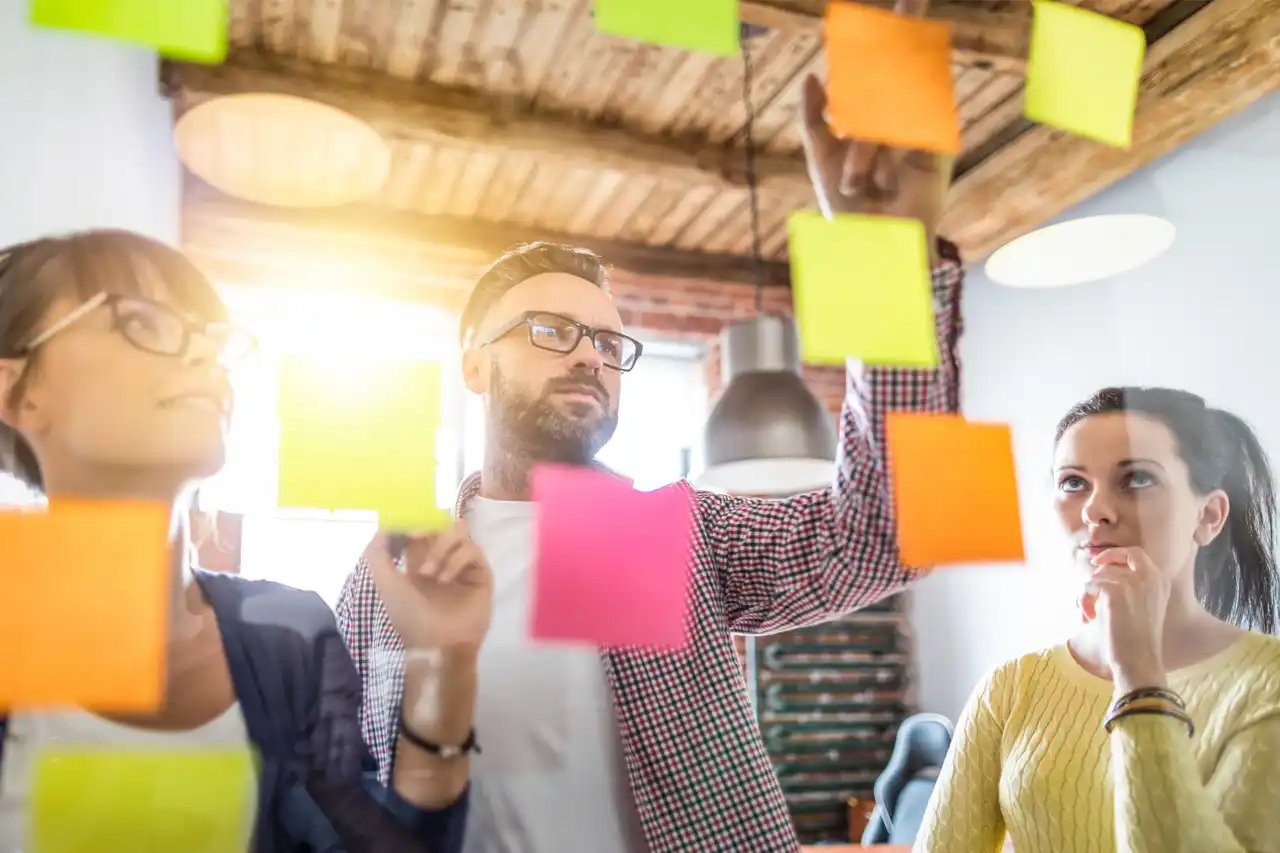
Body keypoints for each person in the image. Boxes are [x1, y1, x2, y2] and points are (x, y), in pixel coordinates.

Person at [335, 45, 964, 853]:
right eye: (552, 331)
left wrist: (888, 270)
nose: (589, 355)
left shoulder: (659, 534)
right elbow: (350, 782)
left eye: (606, 340)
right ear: (474, 364)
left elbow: (889, 534)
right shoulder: (395, 567)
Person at [0, 230, 493, 852]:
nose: (204, 357)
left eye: (212, 338)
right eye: (143, 321)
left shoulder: (289, 637)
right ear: (18, 391)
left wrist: (444, 665)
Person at [916, 387, 1280, 852]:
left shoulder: (1267, 684)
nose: (1094, 511)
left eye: (1137, 479)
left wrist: (1139, 676)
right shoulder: (1011, 688)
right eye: (1073, 483)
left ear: (1208, 516)